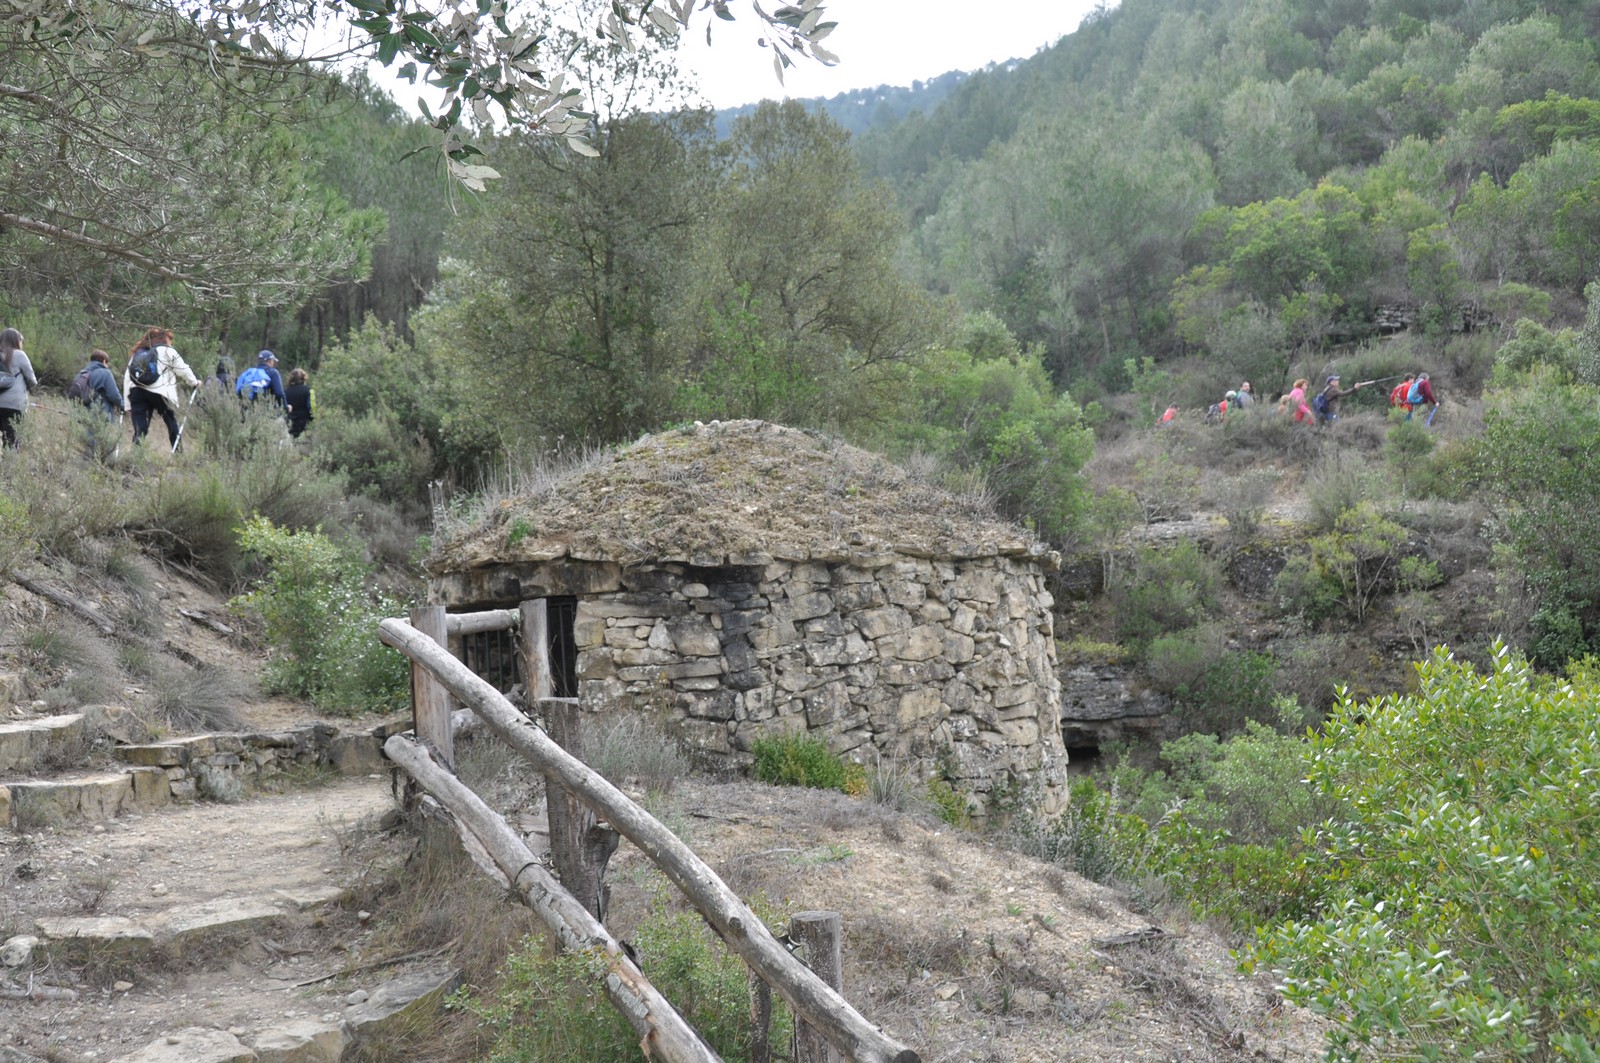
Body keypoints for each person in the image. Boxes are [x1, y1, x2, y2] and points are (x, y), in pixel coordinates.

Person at [124, 327, 200, 447]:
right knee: (171, 422)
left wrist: (127, 404)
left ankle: (136, 453)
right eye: (170, 340)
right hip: (161, 392)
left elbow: (128, 378)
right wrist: (194, 382)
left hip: (137, 392)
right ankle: (178, 452)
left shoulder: (138, 354)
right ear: (164, 339)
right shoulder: (167, 350)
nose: (171, 343)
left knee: (140, 428)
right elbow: (182, 369)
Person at [73, 348, 123, 460]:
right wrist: (123, 405)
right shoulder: (105, 373)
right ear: (104, 361)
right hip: (101, 410)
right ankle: (96, 460)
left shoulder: (82, 373)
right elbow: (113, 394)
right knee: (99, 436)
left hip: (85, 410)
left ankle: (89, 458)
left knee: (90, 435)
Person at [0, 327, 39, 449]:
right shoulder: (19, 355)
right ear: (16, 341)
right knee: (12, 442)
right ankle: (8, 461)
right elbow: (32, 381)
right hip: (14, 405)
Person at [284, 367, 314, 438]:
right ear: (304, 378)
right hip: (304, 422)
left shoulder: (285, 392)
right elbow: (311, 407)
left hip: (289, 422)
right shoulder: (308, 390)